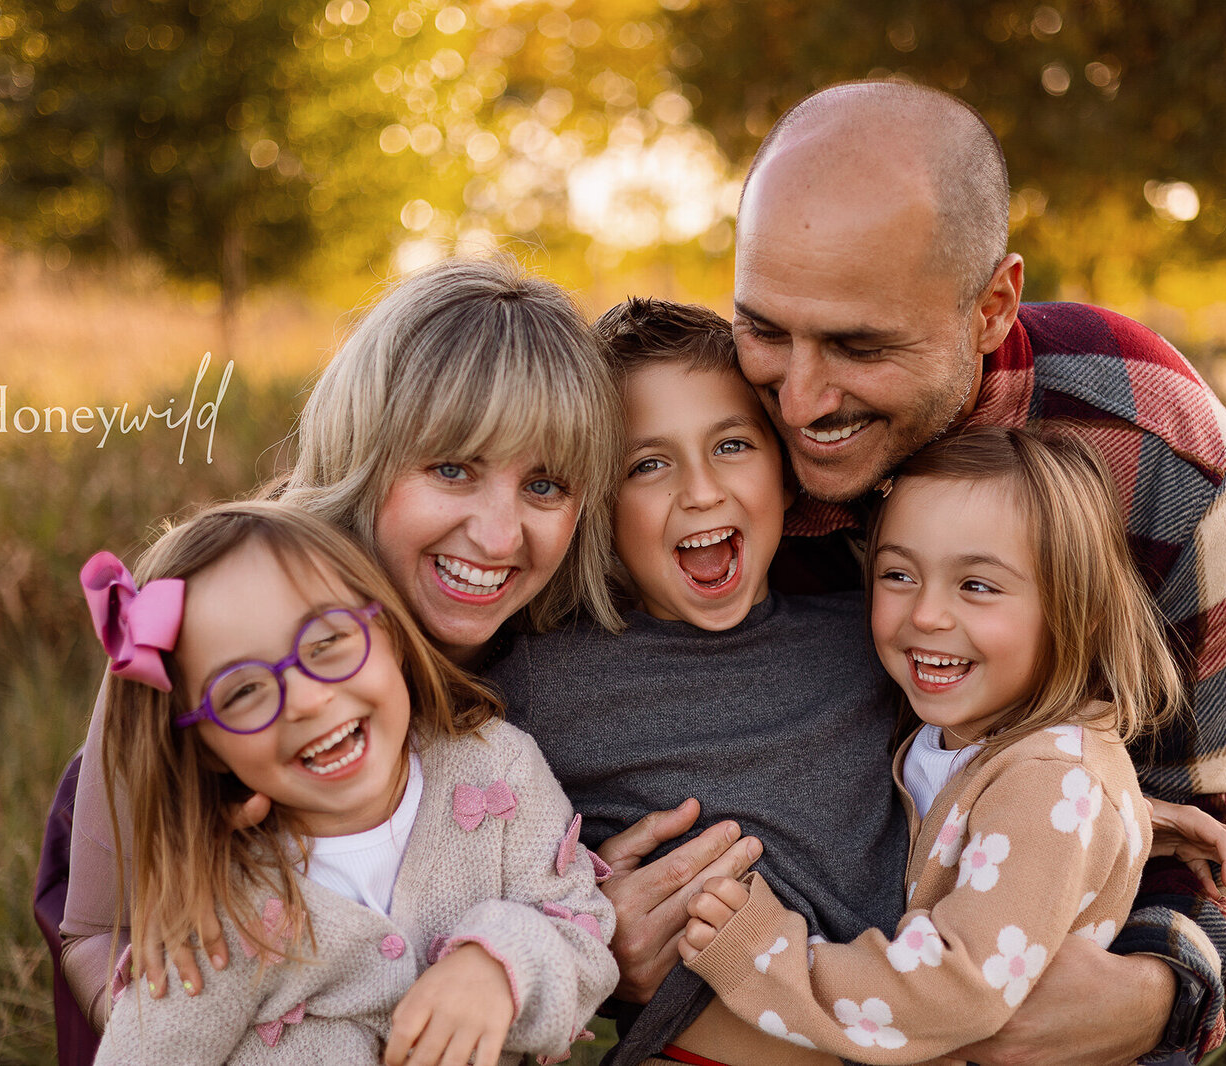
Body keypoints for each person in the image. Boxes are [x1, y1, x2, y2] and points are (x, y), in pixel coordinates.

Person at [611, 81, 1226, 1064]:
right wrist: (592, 924)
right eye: (766, 329)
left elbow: (1213, 809)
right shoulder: (706, 461)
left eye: (857, 344)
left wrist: (1154, 992)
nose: (796, 400)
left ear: (991, 304)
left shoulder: (1159, 453)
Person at [53, 257, 759, 1034]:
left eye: (546, 485)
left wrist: (580, 937)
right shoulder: (218, 621)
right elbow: (92, 929)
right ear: (366, 449)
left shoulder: (554, 638)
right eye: (452, 469)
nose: (498, 536)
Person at [679, 426, 1226, 1060]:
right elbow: (983, 824)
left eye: (977, 586)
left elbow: (956, 989)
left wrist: (762, 954)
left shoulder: (1048, 781)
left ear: (1074, 609)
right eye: (899, 574)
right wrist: (1135, 821)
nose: (927, 614)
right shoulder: (976, 741)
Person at [484, 298, 911, 1065]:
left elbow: (985, 755)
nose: (701, 490)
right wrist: (589, 922)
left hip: (907, 1033)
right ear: (598, 513)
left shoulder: (875, 634)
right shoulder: (543, 678)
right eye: (648, 464)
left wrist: (1128, 802)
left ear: (787, 478)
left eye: (733, 445)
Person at [82, 501, 616, 1065]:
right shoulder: (221, 914)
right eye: (242, 692)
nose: (309, 700)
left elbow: (586, 935)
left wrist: (500, 963)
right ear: (206, 749)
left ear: (386, 628)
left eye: (326, 643)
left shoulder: (497, 773)